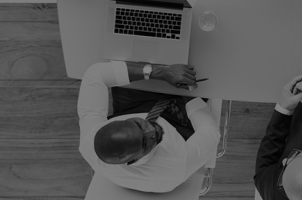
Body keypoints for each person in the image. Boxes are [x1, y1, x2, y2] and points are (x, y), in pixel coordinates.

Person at [78, 61, 219, 192]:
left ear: (113, 122)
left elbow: (95, 74)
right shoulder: (177, 163)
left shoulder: (89, 140)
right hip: (177, 122)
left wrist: (160, 72)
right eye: (145, 143)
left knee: (142, 56)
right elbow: (210, 131)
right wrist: (187, 91)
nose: (151, 130)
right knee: (202, 66)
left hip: (132, 108)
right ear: (134, 160)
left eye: (138, 126)